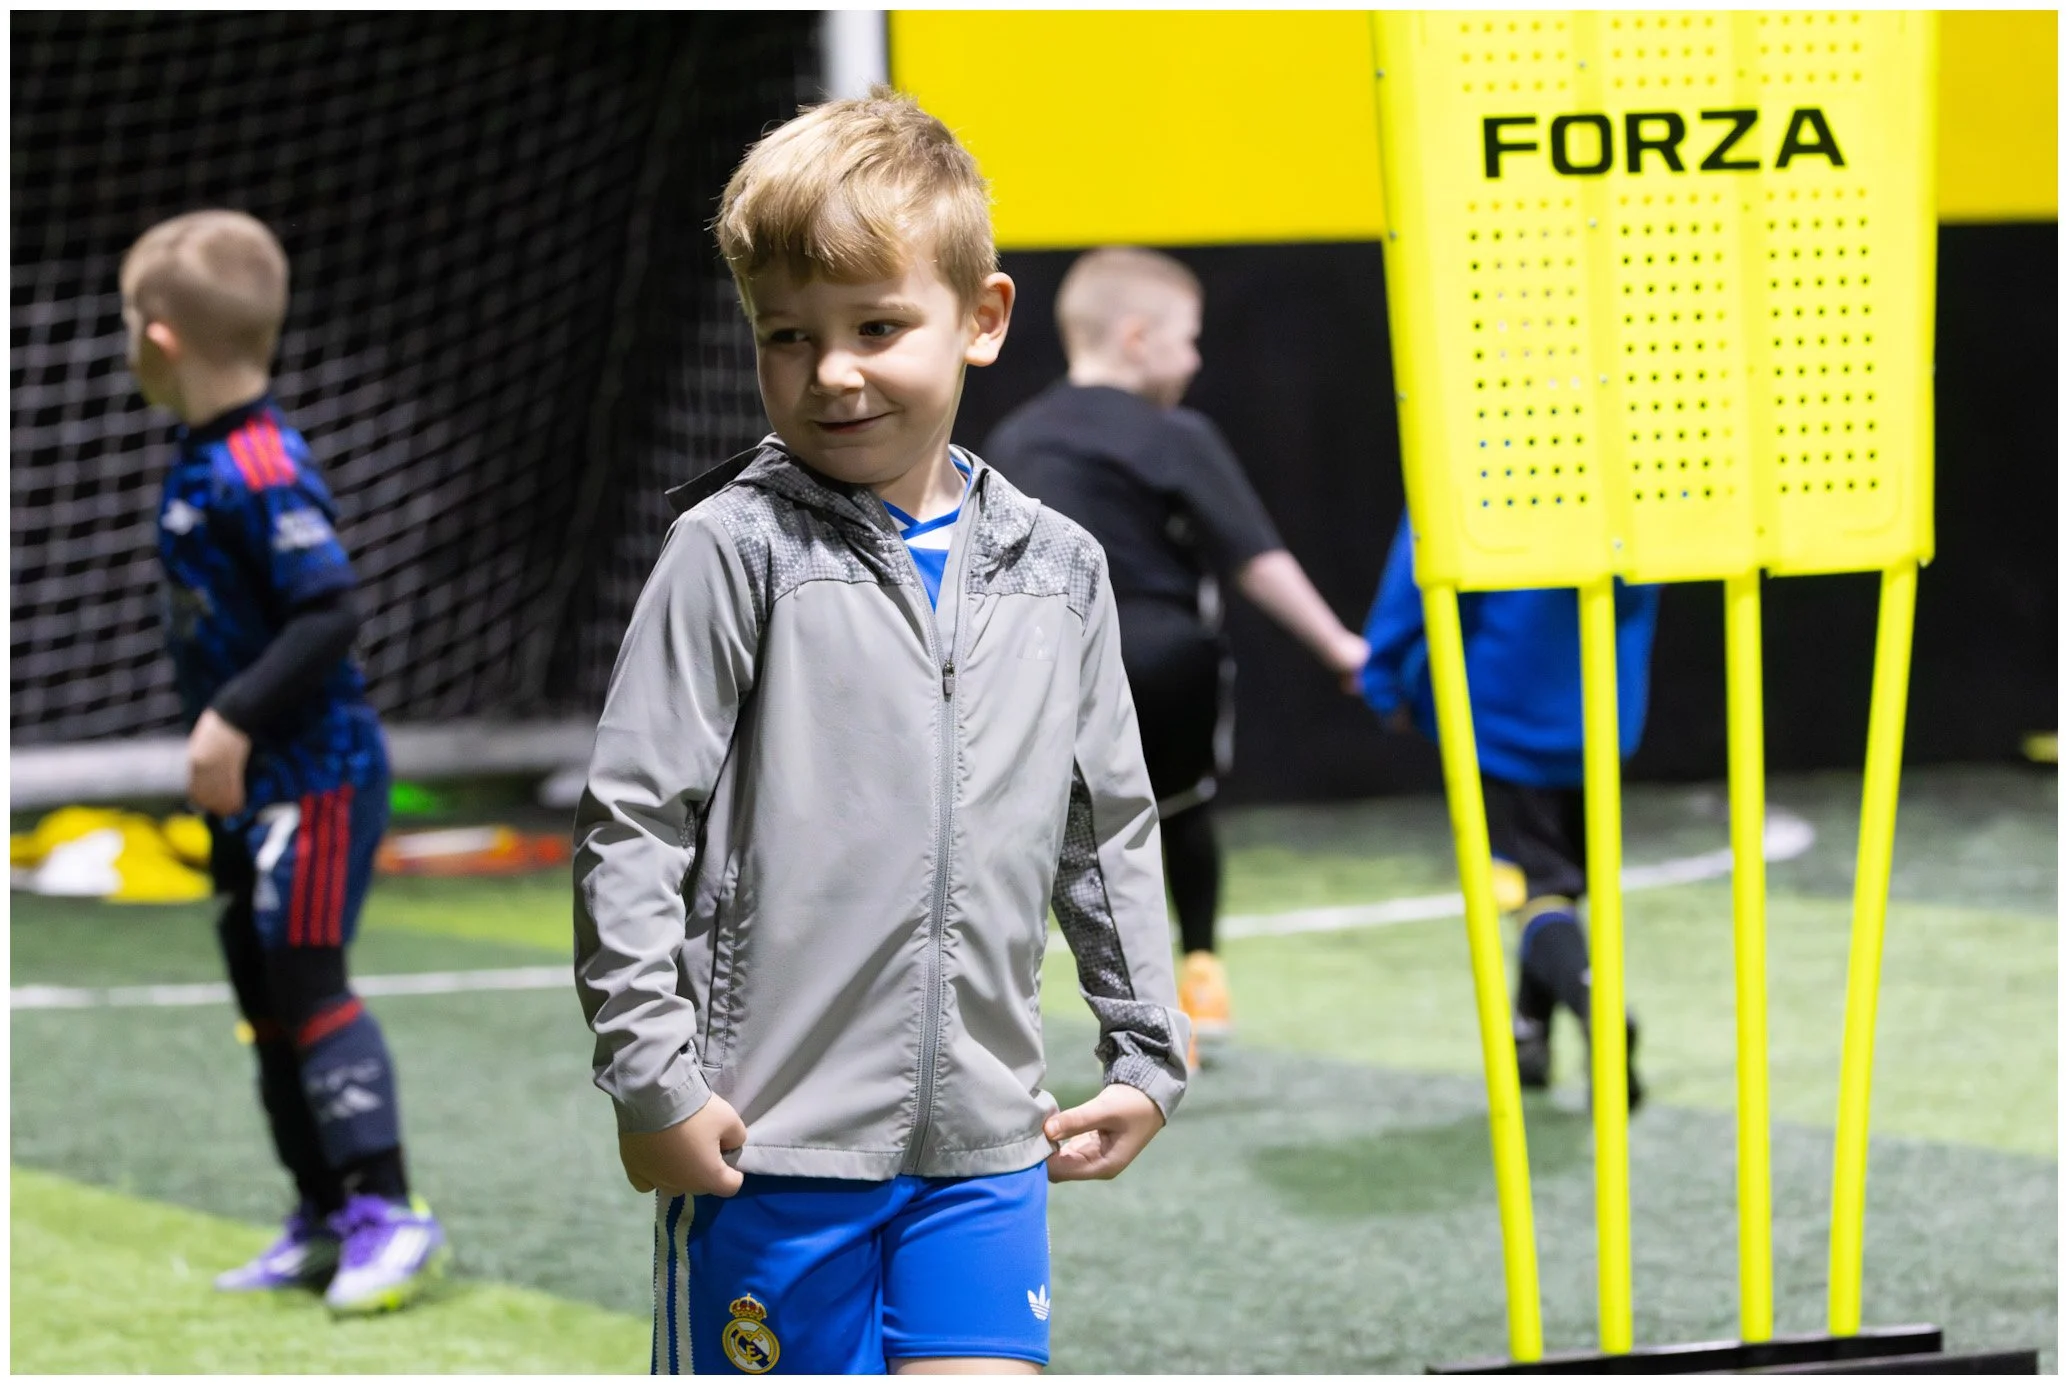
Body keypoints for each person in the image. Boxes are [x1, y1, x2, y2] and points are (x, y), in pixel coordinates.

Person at [572, 91, 1188, 1376]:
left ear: (983, 318)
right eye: (786, 335)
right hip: (768, 1149)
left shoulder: (1058, 567)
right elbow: (633, 821)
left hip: (984, 1149)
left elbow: (1106, 824)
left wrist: (1146, 1055)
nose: (832, 371)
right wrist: (654, 1082)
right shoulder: (729, 550)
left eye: (876, 326)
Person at [121, 210, 448, 1313]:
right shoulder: (201, 454)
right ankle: (318, 1209)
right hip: (256, 792)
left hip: (315, 779)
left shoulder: (261, 465)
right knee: (262, 996)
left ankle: (387, 1206)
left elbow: (328, 610)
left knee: (308, 988)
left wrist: (230, 721)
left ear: (159, 338)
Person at [981, 247, 1369, 1063]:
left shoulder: (1013, 438)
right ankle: (1196, 984)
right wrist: (1340, 645)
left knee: (1047, 836)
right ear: (1137, 339)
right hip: (1161, 661)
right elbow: (1256, 558)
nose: (1195, 360)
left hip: (1045, 666)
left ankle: (1022, 1016)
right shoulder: (1176, 434)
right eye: (1189, 340)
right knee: (1177, 814)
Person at [1357, 514, 1661, 1108]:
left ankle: (1591, 999)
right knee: (1560, 890)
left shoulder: (1472, 444)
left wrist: (1383, 678)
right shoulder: (1619, 450)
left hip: (1503, 715)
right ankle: (1530, 1033)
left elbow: (1416, 567)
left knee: (1531, 891)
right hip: (1604, 707)